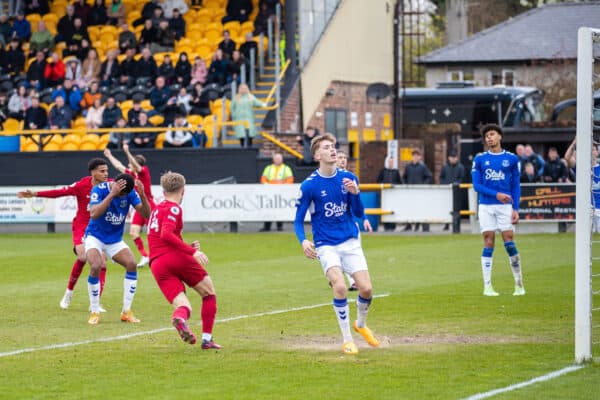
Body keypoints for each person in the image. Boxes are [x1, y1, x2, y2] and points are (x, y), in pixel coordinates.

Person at [294, 133, 380, 355]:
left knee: (367, 288)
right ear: (317, 155)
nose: (332, 150)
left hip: (350, 241)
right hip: (326, 245)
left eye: (333, 146)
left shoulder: (349, 178)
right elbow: (297, 219)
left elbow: (360, 213)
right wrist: (303, 240)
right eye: (326, 147)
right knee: (340, 287)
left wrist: (356, 193)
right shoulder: (309, 185)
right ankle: (347, 339)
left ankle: (360, 324)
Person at [17, 158, 110, 310]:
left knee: (102, 263)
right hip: (82, 226)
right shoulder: (81, 185)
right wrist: (35, 193)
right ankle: (69, 293)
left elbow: (126, 189)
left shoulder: (110, 185)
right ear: (93, 172)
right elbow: (59, 192)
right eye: (102, 171)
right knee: (82, 256)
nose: (106, 174)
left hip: (98, 227)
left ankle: (96, 302)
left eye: (107, 171)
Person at [147, 171, 222, 349]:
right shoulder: (174, 208)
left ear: (163, 191)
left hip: (157, 264)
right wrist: (191, 251)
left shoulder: (157, 209)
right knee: (208, 293)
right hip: (175, 258)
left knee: (182, 304)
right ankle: (207, 339)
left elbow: (162, 236)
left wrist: (185, 244)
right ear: (183, 191)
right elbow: (166, 234)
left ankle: (179, 317)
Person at [85, 173, 151, 324]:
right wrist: (112, 194)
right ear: (115, 186)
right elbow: (94, 214)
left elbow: (147, 214)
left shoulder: (129, 192)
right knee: (96, 265)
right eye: (121, 194)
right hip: (95, 236)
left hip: (114, 240)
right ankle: (94, 311)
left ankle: (126, 312)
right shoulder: (99, 190)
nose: (123, 197)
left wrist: (143, 196)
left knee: (131, 264)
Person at [471, 124, 525, 297]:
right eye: (487, 136)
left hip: (505, 206)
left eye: (492, 134)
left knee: (509, 241)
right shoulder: (479, 159)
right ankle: (487, 286)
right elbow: (476, 185)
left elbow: (516, 185)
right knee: (488, 241)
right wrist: (496, 194)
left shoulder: (512, 159)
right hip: (486, 206)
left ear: (500, 137)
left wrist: (515, 208)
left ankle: (519, 285)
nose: (489, 138)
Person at [104, 145, 156, 267]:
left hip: (149, 206)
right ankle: (145, 256)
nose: (128, 165)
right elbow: (118, 166)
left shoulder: (144, 172)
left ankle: (159, 256)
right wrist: (109, 155)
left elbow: (136, 165)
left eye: (130, 163)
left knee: (154, 234)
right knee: (133, 232)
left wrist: (127, 151)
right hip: (138, 206)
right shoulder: (130, 174)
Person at [260, 152, 294, 232]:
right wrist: (268, 185)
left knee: (280, 209)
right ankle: (267, 226)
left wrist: (282, 185)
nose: (278, 160)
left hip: (281, 192)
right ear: (273, 159)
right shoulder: (268, 168)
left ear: (282, 159)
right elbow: (263, 179)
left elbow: (290, 180)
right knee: (268, 209)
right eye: (276, 158)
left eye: (279, 158)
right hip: (269, 192)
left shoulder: (286, 168)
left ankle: (279, 226)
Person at [403, 149, 433, 232]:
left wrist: (423, 185)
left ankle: (418, 225)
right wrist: (406, 185)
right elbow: (404, 177)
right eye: (413, 156)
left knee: (420, 208)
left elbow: (429, 176)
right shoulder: (408, 166)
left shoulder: (423, 167)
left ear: (419, 157)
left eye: (417, 156)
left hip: (420, 192)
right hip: (410, 192)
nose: (415, 157)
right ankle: (408, 225)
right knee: (409, 208)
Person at [231, 83, 265, 148]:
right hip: (239, 118)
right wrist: (234, 114)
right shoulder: (236, 97)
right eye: (242, 88)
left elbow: (257, 102)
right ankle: (242, 146)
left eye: (244, 88)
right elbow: (232, 107)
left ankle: (250, 146)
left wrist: (263, 104)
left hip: (249, 118)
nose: (243, 90)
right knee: (241, 134)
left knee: (250, 133)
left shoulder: (250, 97)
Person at [439, 149, 465, 230]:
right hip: (446, 191)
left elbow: (462, 178)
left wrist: (456, 184)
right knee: (445, 207)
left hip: (457, 191)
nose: (453, 159)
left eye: (455, 157)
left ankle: (456, 224)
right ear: (448, 158)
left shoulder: (460, 167)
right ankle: (446, 223)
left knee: (456, 208)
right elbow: (441, 177)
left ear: (457, 158)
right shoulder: (445, 167)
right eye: (452, 157)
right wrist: (444, 184)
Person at [376, 156, 403, 232]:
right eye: (389, 162)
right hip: (385, 195)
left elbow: (400, 182)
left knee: (393, 209)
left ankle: (393, 225)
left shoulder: (396, 171)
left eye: (392, 162)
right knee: (385, 209)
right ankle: (386, 225)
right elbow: (378, 181)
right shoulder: (383, 171)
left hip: (394, 195)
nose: (391, 164)